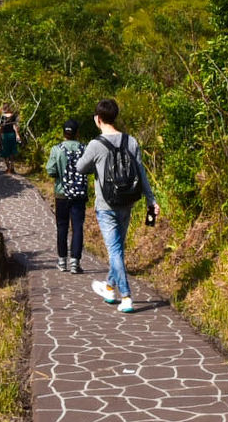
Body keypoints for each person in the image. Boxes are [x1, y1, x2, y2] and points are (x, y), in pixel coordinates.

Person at [76, 96, 158, 313]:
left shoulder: (95, 145)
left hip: (106, 205)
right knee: (117, 249)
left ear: (98, 119)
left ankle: (127, 296)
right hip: (127, 203)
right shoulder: (131, 141)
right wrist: (151, 200)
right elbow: (141, 173)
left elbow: (80, 167)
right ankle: (110, 288)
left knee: (115, 252)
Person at [45, 117, 89, 273]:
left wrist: (60, 174)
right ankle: (75, 263)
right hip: (79, 194)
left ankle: (62, 261)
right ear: (77, 133)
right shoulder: (84, 148)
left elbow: (50, 170)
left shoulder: (57, 149)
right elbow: (89, 168)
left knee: (62, 226)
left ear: (64, 133)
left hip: (61, 194)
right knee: (77, 227)